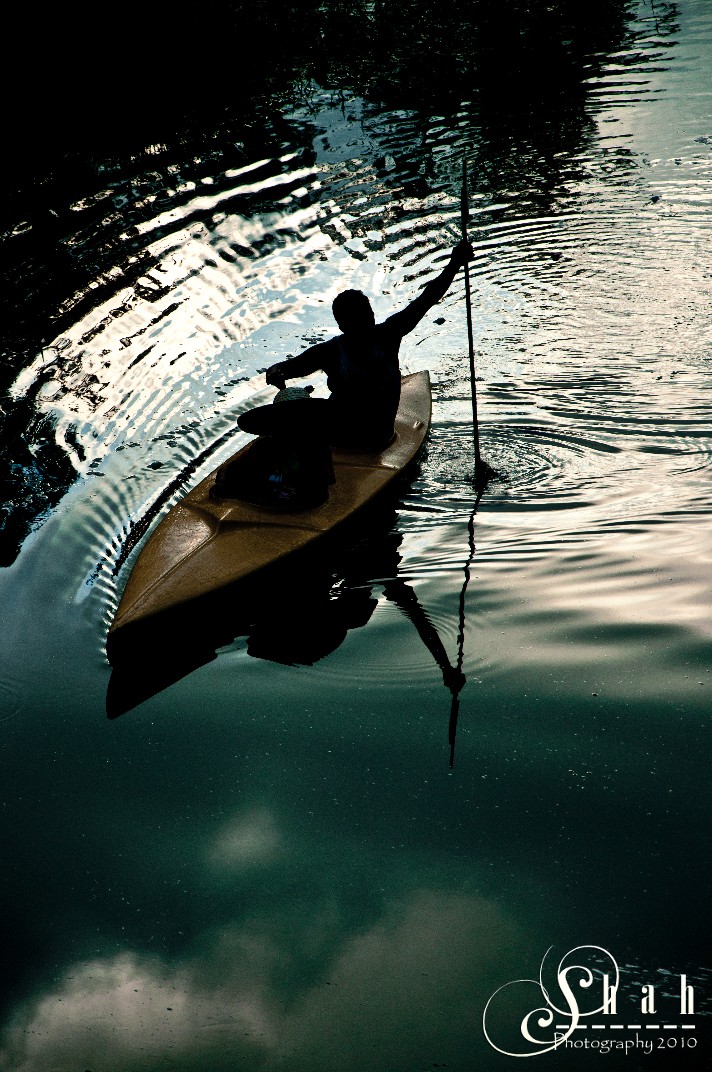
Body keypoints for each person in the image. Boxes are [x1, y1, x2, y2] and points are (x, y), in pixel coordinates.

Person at [265, 238, 474, 452]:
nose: (367, 322)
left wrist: (455, 263)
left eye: (367, 315)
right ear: (343, 325)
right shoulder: (369, 340)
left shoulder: (384, 335)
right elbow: (289, 367)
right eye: (361, 318)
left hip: (369, 438)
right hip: (346, 437)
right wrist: (276, 371)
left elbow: (427, 299)